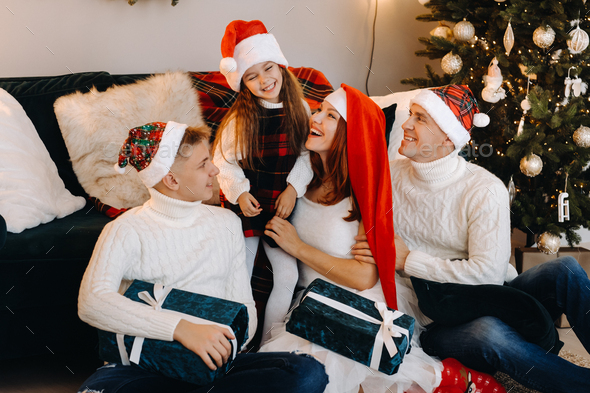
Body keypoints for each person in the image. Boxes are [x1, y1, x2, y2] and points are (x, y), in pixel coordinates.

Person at [77, 121, 328, 393]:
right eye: (203, 164)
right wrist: (182, 329)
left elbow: (245, 308)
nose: (215, 169)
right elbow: (92, 302)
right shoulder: (125, 229)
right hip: (145, 367)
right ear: (171, 180)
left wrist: (221, 342)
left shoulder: (227, 223)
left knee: (307, 373)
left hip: (214, 365)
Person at [391, 84, 590, 393]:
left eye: (419, 118)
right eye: (410, 116)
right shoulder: (388, 176)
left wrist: (409, 261)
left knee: (565, 270)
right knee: (490, 333)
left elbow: (489, 274)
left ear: (447, 136)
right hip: (434, 320)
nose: (405, 124)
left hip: (496, 294)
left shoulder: (483, 188)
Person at [260, 85, 443, 393]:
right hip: (314, 301)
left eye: (330, 116)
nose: (315, 118)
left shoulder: (362, 194)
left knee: (351, 370)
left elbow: (362, 277)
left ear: (350, 133)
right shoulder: (298, 183)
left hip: (360, 301)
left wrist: (298, 247)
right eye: (319, 110)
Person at [213, 20, 313, 344]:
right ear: (243, 83)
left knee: (288, 275)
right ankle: (238, 343)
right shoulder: (240, 119)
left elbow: (306, 156)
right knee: (239, 274)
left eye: (268, 68)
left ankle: (270, 343)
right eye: (252, 76)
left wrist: (294, 188)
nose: (264, 80)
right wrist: (240, 193)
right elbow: (223, 161)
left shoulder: (301, 111)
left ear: (281, 66)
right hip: (247, 206)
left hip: (280, 205)